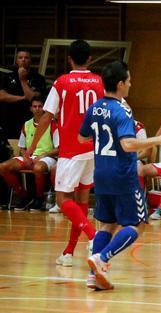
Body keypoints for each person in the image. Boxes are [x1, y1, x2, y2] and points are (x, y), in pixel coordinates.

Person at [80, 61, 161, 290]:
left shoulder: (95, 107)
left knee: (107, 225)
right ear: (120, 84)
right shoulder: (122, 110)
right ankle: (102, 259)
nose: (130, 84)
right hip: (122, 175)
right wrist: (158, 140)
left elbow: (82, 138)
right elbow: (128, 144)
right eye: (128, 80)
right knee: (136, 224)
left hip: (101, 174)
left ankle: (93, 275)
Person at [25, 39, 104, 267]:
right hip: (92, 150)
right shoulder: (99, 82)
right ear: (90, 59)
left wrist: (31, 148)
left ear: (69, 58)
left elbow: (46, 117)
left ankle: (94, 236)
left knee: (62, 199)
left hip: (71, 150)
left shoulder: (62, 82)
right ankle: (68, 253)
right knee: (81, 200)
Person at [0, 97, 58, 211]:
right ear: (30, 109)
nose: (37, 109)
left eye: (40, 106)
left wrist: (42, 156)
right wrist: (26, 157)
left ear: (44, 108)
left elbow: (59, 149)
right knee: (2, 167)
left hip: (48, 157)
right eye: (34, 106)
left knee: (38, 168)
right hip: (30, 156)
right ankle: (24, 195)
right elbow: (22, 147)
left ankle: (39, 198)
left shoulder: (52, 124)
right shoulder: (26, 124)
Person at [0, 49, 47, 138]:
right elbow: (2, 96)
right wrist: (22, 97)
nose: (23, 60)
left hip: (29, 120)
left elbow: (32, 98)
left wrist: (22, 79)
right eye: (20, 57)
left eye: (26, 57)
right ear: (16, 61)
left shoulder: (38, 78)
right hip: (10, 120)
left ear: (30, 61)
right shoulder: (8, 77)